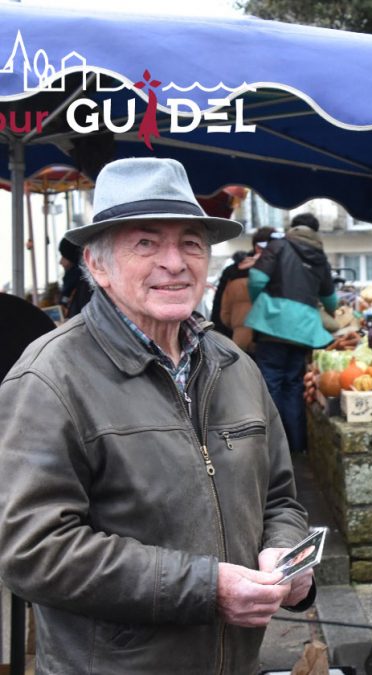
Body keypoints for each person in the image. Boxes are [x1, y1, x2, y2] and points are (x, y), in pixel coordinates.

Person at [0, 157, 316, 674]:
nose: (174, 262)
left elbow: (279, 497)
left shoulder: (234, 365)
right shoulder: (49, 379)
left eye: (190, 243)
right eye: (146, 243)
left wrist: (287, 556)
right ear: (98, 266)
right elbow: (34, 551)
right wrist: (206, 588)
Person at [245, 213, 337, 454]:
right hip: (303, 330)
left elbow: (256, 278)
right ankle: (296, 447)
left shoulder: (278, 246)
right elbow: (330, 298)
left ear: (293, 227)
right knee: (294, 386)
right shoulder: (320, 257)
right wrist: (331, 313)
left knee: (271, 384)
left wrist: (261, 303)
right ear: (315, 232)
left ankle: (274, 450)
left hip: (271, 326)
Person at [220, 226, 276, 352]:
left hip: (239, 340)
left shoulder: (233, 272)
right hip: (272, 338)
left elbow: (223, 312)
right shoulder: (280, 271)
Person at [58, 237, 92, 318]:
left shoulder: (85, 286)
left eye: (64, 256)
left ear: (72, 258)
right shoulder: (74, 285)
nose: (60, 262)